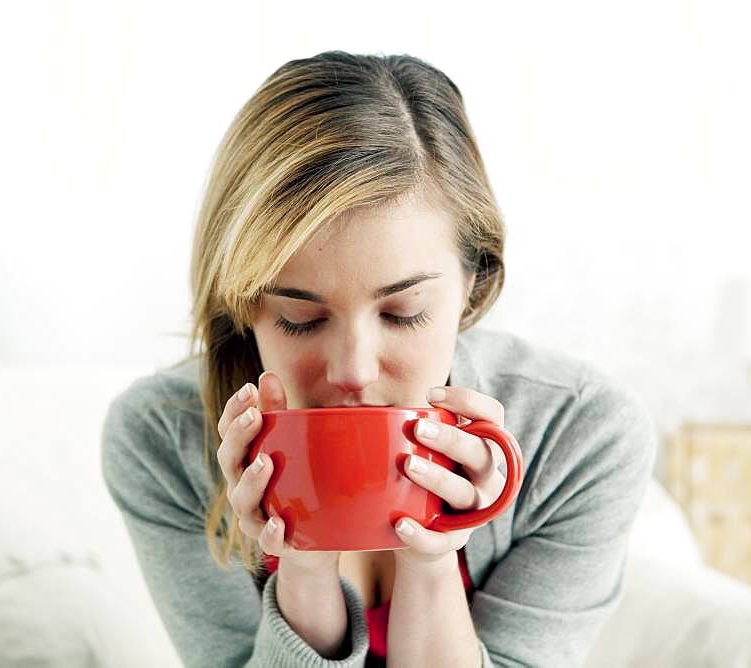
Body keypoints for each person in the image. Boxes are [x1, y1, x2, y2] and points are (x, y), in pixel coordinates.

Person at [101, 50, 657, 667]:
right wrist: (303, 573)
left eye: (403, 312)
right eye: (300, 318)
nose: (353, 371)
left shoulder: (580, 434)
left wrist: (432, 561)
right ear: (242, 305)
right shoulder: (162, 440)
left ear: (474, 286)